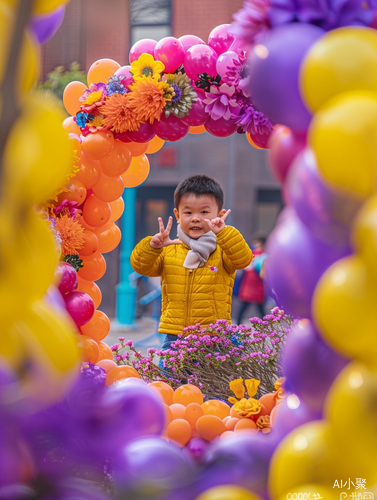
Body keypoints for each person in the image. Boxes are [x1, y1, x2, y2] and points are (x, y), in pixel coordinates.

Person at [131, 174, 253, 351]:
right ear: (177, 215)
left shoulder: (223, 249)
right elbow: (142, 266)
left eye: (204, 212)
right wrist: (152, 247)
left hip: (213, 337)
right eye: (188, 212)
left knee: (209, 380)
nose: (195, 218)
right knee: (170, 379)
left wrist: (225, 233)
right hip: (175, 336)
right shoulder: (169, 249)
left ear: (219, 215)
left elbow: (243, 259)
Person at [236, 235, 268, 323]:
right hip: (256, 285)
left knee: (243, 308)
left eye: (256, 243)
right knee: (260, 309)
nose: (254, 244)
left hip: (251, 285)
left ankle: (238, 326)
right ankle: (268, 327)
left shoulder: (253, 254)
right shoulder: (265, 255)